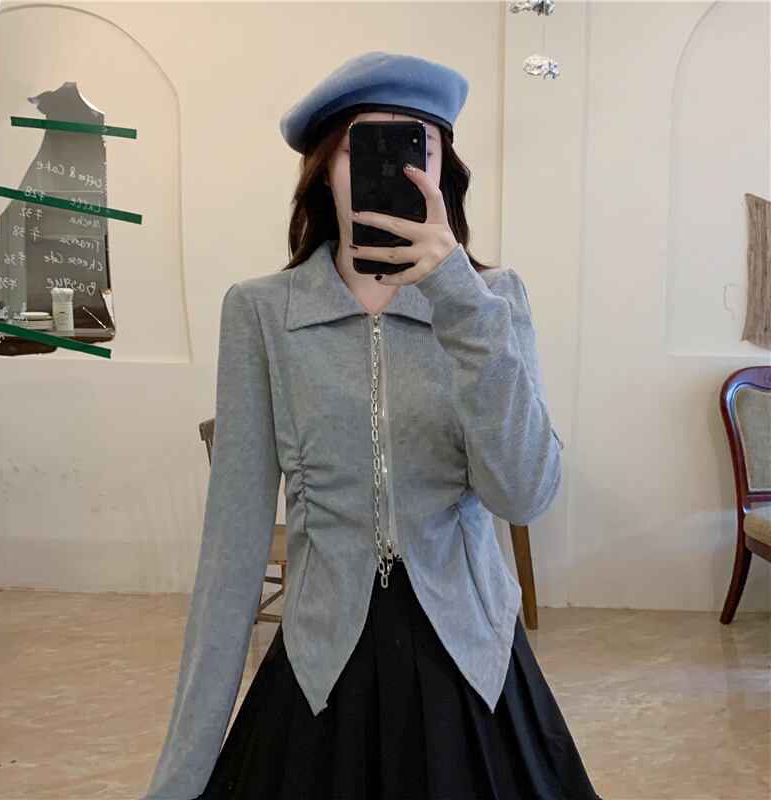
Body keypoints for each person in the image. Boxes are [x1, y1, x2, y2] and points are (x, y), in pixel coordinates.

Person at [142, 51, 603, 800]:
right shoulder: (261, 312)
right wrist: (180, 779)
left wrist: (459, 300)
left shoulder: (493, 302)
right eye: (364, 145)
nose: (395, 166)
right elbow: (231, 552)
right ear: (325, 169)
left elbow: (524, 494)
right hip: (320, 668)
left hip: (473, 667)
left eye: (417, 143)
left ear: (443, 168)